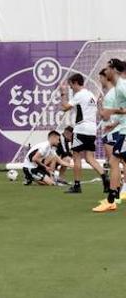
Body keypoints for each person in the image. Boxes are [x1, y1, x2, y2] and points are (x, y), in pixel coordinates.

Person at [60, 73, 108, 195]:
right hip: (92, 130)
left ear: (76, 82)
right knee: (90, 158)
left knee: (76, 156)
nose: (71, 88)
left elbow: (65, 107)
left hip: (81, 129)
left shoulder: (79, 95)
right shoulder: (91, 95)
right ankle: (104, 177)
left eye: (71, 85)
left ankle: (77, 186)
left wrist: (63, 93)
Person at [93, 62, 126, 212]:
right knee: (116, 161)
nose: (105, 71)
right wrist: (114, 123)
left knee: (114, 161)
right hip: (121, 129)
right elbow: (123, 110)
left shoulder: (121, 86)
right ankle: (113, 198)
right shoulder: (118, 87)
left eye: (107, 68)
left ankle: (111, 200)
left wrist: (110, 111)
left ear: (113, 70)